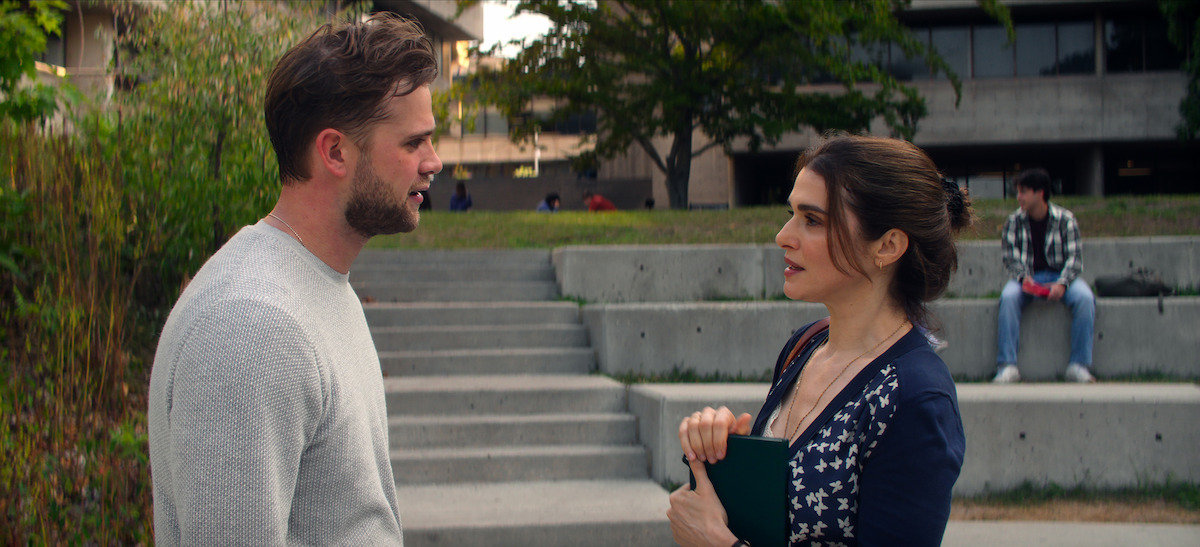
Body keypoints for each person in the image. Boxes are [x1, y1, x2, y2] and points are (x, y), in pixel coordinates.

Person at [148, 13, 442, 545]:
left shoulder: (317, 285)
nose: (434, 162)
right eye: (413, 143)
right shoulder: (252, 326)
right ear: (334, 152)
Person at [668, 135, 968, 546]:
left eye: (812, 220)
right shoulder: (805, 346)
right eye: (791, 214)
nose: (783, 236)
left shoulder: (914, 398)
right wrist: (722, 448)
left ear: (888, 246)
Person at [993, 168, 1096, 383]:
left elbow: (1074, 259)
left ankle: (1078, 365)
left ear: (1040, 193)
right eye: (1018, 192)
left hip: (1060, 276)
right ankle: (1007, 366)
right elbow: (1010, 257)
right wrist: (1023, 278)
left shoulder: (1066, 220)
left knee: (1085, 298)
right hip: (1029, 277)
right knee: (1009, 298)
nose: (1018, 197)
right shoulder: (1014, 221)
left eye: (1023, 192)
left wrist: (1063, 283)